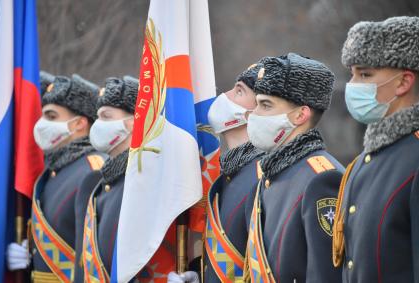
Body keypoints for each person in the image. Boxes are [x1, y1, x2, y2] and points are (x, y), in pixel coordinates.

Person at [333, 16, 419, 282]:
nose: (353, 84)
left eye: (366, 74)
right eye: (353, 74)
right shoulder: (364, 161)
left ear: (403, 82)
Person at [245, 53, 344, 282]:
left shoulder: (322, 178)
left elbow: (325, 275)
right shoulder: (270, 175)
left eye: (265, 105)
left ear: (300, 114)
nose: (254, 114)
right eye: (257, 103)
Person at [168, 61, 265, 283]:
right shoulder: (229, 174)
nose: (225, 95)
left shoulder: (262, 175)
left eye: (239, 91)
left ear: (257, 110)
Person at [74, 76, 176, 283]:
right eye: (98, 116)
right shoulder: (98, 183)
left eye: (106, 116)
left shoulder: (149, 180)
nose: (98, 124)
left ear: (133, 122)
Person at [7, 73, 105, 283]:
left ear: (79, 123)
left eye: (51, 117)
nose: (41, 124)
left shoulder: (93, 168)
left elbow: (94, 254)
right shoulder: (54, 171)